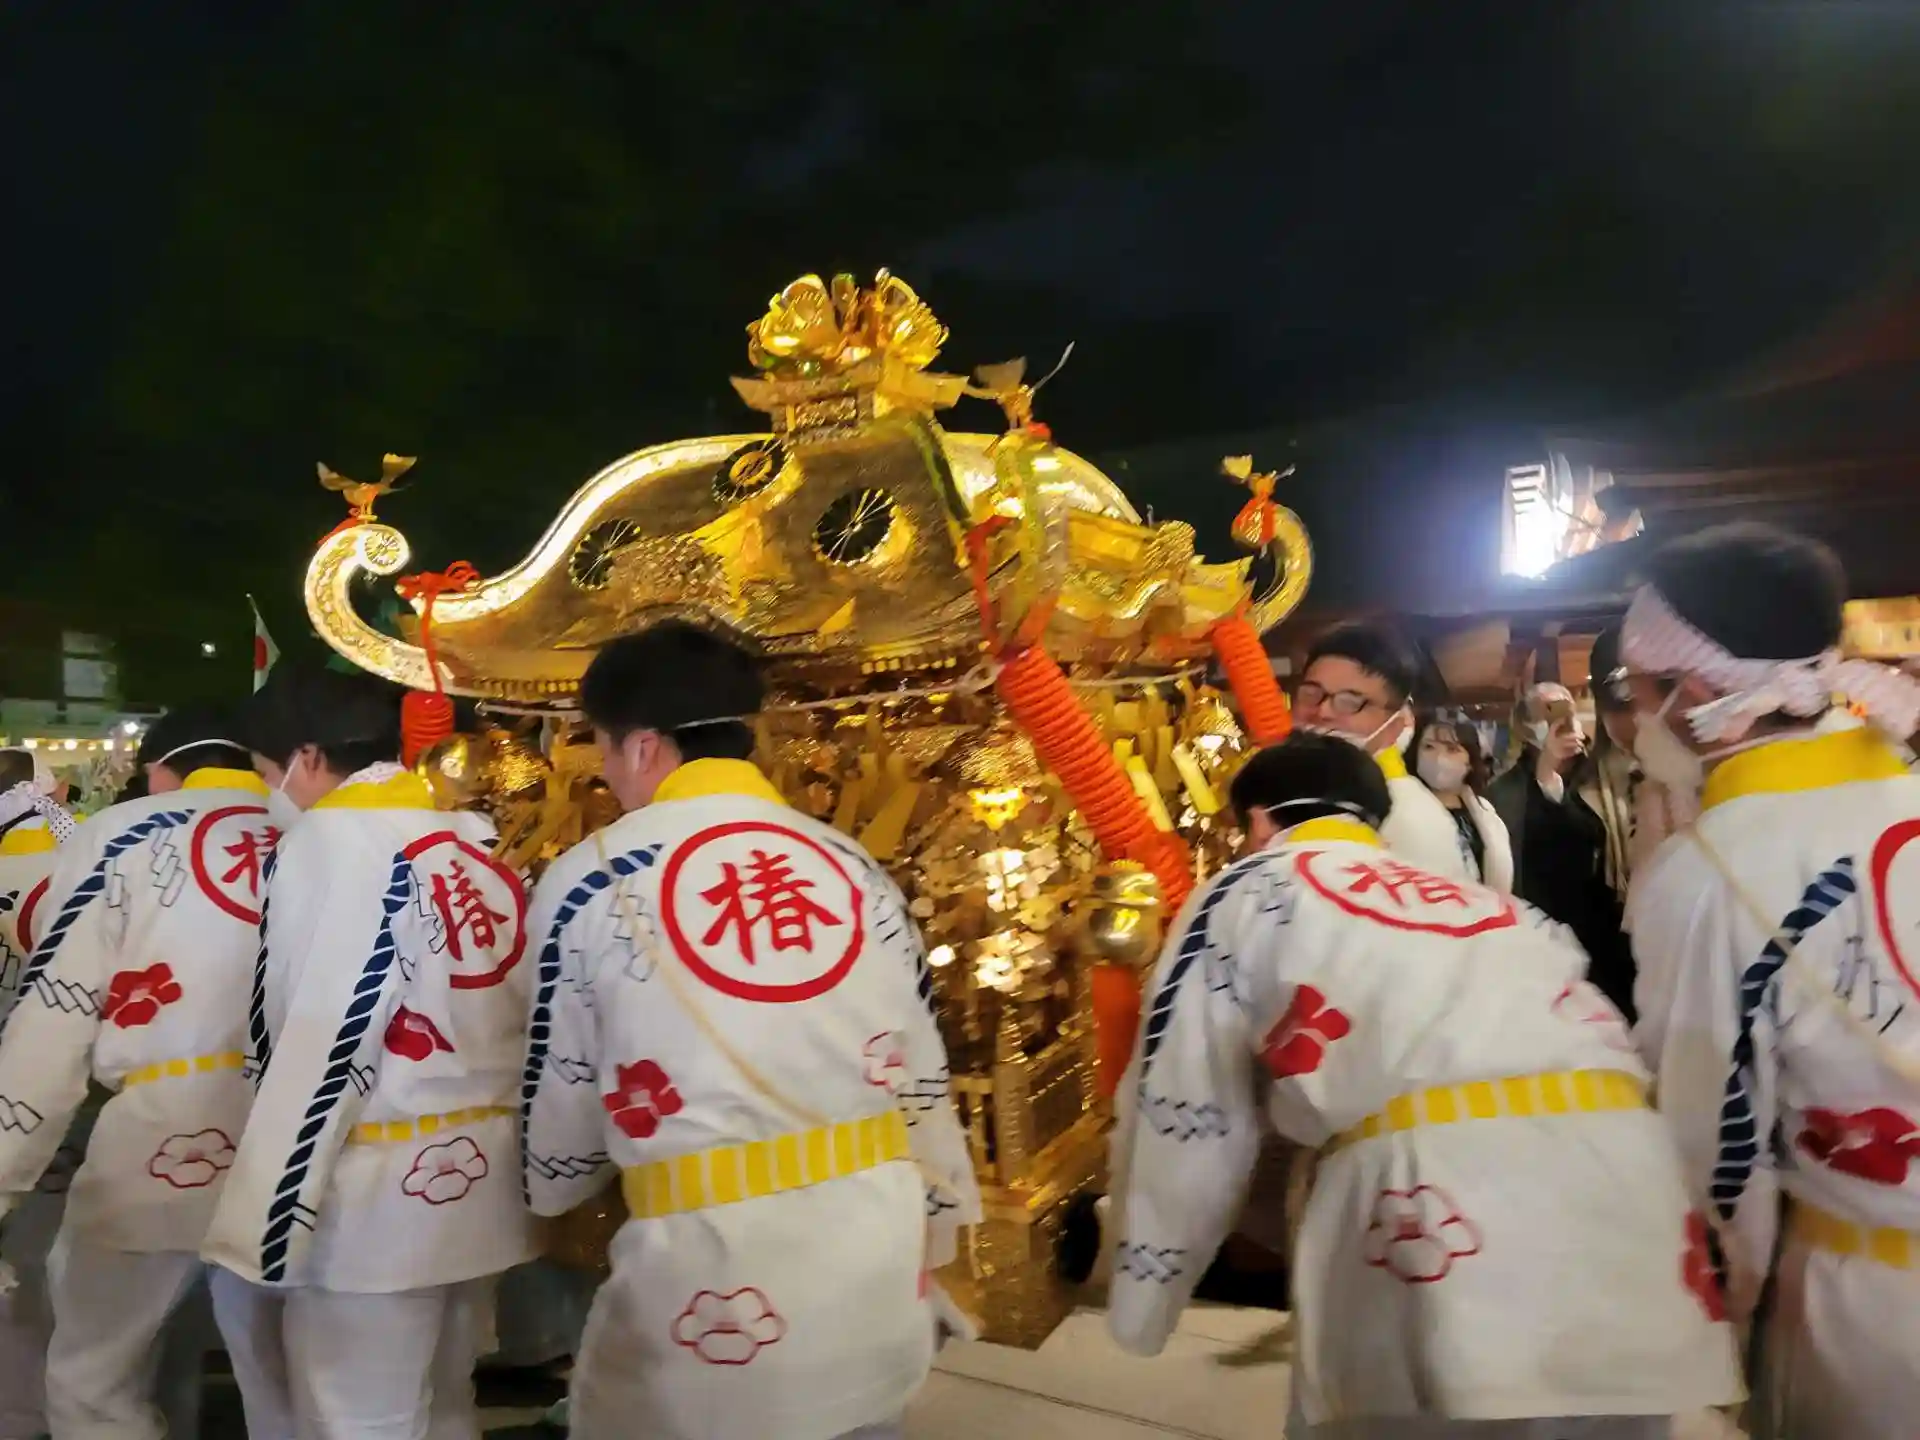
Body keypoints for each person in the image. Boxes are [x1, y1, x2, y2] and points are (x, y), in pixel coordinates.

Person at [1105, 731, 1742, 1436]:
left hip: (1440, 1183)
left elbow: (1186, 1099)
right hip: (1627, 1177)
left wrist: (1145, 1292)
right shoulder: (1487, 905)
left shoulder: (1252, 885)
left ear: (1258, 822)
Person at [520, 621, 981, 1440]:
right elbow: (920, 1061)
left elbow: (562, 1081)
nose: (607, 776)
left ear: (643, 747)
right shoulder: (848, 862)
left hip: (713, 1263)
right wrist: (941, 1211)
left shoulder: (594, 878)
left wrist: (551, 1186)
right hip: (873, 1244)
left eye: (603, 750)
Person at [1622, 522, 1920, 1438]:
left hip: (1873, 1309)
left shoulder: (1715, 871)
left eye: (1636, 691)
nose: (1633, 719)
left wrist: (1721, 1325)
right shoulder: (1905, 792)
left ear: (1698, 693)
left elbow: (1712, 1139)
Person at [202, 664, 537, 1438]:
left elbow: (327, 1026)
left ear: (308, 757)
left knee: (355, 1416)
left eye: (267, 773)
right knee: (446, 1405)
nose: (271, 794)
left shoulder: (334, 841)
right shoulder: (466, 839)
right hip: (477, 1184)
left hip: (375, 1200)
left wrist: (269, 1213)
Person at [0, 710, 289, 1440]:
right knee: (294, 1384)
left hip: (163, 1134)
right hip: (295, 1138)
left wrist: (4, 1169)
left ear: (161, 770)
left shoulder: (122, 833)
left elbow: (57, 1017)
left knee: (94, 1377)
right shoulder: (309, 829)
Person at [1295, 621, 1485, 883]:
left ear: (1393, 727)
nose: (1322, 711)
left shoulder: (1409, 820)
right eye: (1311, 694)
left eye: (1350, 702)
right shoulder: (1297, 794)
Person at [1487, 683, 1635, 1017]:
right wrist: (1547, 775)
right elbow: (1525, 857)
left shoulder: (1601, 775)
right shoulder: (1505, 791)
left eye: (1567, 709)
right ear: (1527, 727)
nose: (1563, 720)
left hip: (1607, 932)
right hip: (1546, 932)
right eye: (1549, 712)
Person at [1407, 709, 1512, 890]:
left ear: (1470, 761)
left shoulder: (1486, 812)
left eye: (1452, 749)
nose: (1439, 757)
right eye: (1429, 747)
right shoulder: (1402, 808)